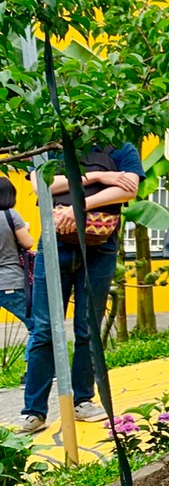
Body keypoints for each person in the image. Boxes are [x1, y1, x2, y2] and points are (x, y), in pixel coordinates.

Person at [17, 143, 143, 434]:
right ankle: (34, 411)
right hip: (54, 245)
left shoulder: (120, 145)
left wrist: (78, 206)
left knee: (87, 329)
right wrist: (99, 178)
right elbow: (42, 186)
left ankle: (83, 400)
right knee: (45, 329)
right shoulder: (48, 142)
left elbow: (130, 188)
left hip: (101, 248)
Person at [0, 178, 33, 339]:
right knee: (38, 326)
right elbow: (28, 243)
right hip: (9, 281)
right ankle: (35, 364)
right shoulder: (10, 215)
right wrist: (24, 229)